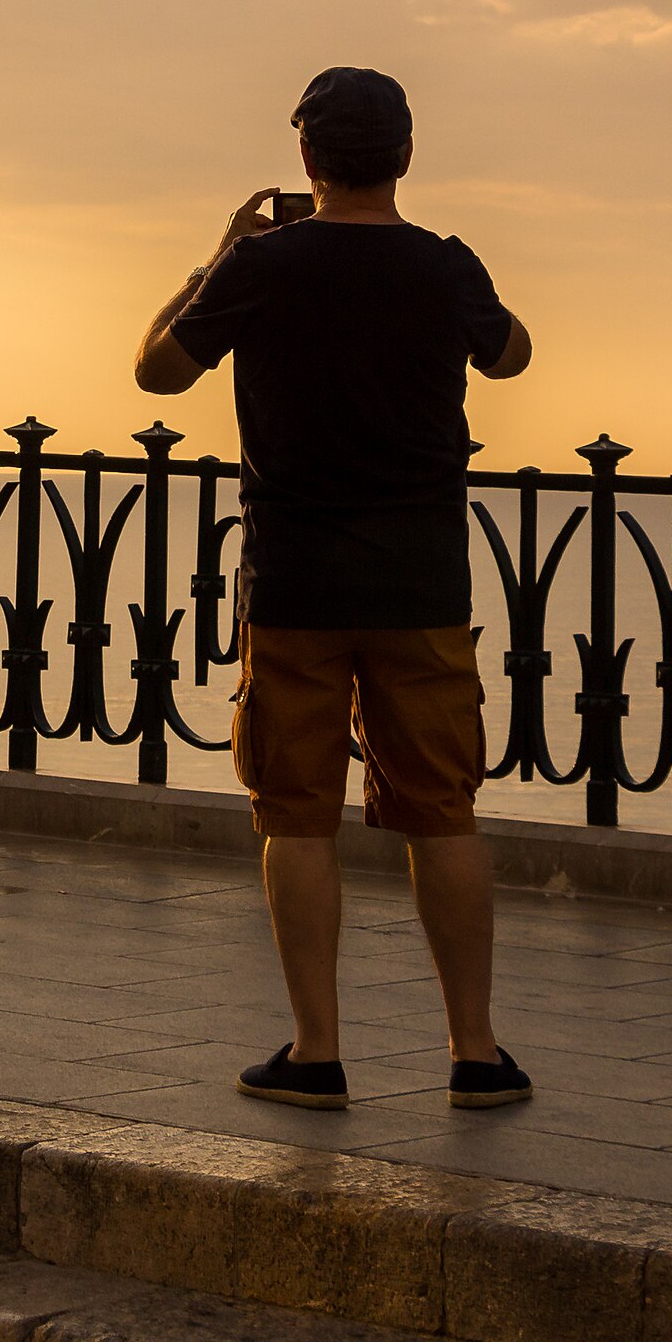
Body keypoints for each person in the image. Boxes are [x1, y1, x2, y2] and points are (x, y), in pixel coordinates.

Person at [132, 65, 536, 1112]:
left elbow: (157, 373)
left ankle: (317, 1054)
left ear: (308, 160)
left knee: (297, 816)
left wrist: (224, 253)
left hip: (296, 581)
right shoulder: (442, 266)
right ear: (403, 156)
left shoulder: (263, 265)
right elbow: (513, 357)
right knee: (443, 812)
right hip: (421, 582)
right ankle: (476, 1054)